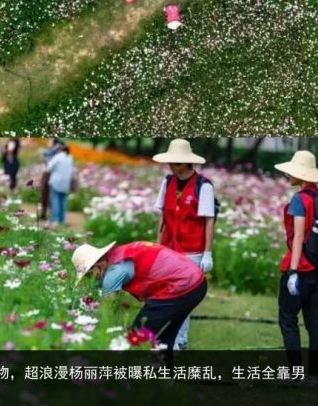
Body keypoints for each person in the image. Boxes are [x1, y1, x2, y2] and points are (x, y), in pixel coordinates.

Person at [73, 240, 207, 361]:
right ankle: (163, 380)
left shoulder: (113, 273)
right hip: (196, 282)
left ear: (98, 267)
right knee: (164, 338)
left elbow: (106, 312)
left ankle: (135, 378)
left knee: (138, 336)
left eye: (88, 276)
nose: (90, 280)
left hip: (181, 285)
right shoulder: (119, 253)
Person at [274, 150, 318, 383]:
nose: (288, 174)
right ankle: (314, 375)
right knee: (314, 322)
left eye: (292, 171)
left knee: (288, 319)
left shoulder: (300, 200)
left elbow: (298, 237)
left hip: (300, 270)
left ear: (301, 175)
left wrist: (292, 272)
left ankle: (295, 374)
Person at [152, 139, 215, 350]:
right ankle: (168, 339)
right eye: (171, 163)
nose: (172, 167)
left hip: (192, 252)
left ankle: (179, 341)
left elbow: (209, 220)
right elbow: (162, 216)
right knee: (167, 295)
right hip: (169, 249)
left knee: (184, 299)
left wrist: (207, 253)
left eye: (177, 163)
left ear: (187, 164)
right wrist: (157, 247)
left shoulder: (203, 187)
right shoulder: (167, 182)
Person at [47, 142, 74, 226]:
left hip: (56, 181)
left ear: (60, 149)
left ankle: (55, 220)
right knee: (62, 201)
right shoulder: (70, 157)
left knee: (55, 200)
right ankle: (62, 220)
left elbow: (48, 168)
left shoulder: (58, 157)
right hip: (65, 183)